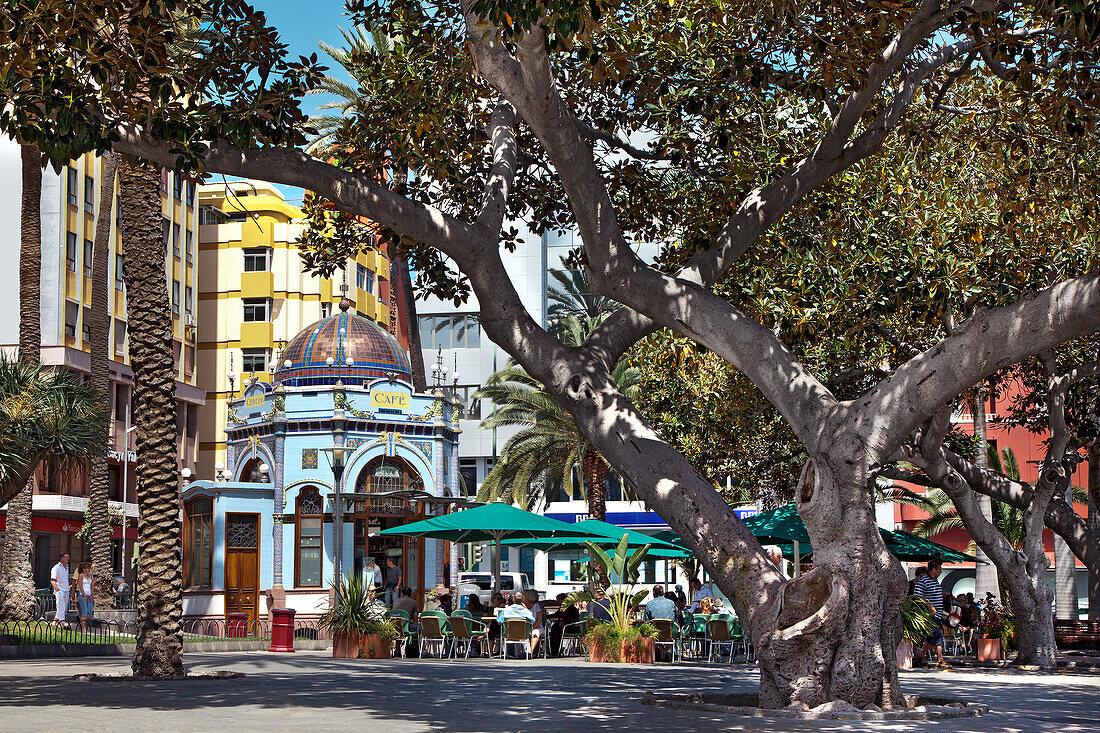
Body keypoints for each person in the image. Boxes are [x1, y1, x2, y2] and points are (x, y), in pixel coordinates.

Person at [913, 558, 950, 669]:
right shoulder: (923, 580)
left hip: (937, 615)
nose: (941, 571)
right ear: (934, 569)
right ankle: (940, 659)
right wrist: (929, 606)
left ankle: (920, 657)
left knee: (930, 638)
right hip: (929, 616)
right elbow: (918, 596)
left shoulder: (934, 581)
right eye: (940, 569)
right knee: (938, 637)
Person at [50, 552, 71, 625]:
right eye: (67, 557)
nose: (68, 559)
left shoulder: (67, 567)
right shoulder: (56, 567)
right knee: (61, 606)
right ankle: (62, 622)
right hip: (60, 590)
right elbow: (52, 580)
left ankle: (54, 622)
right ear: (62, 558)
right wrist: (57, 589)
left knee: (63, 607)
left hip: (66, 590)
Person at [74, 562, 95, 632]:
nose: (89, 570)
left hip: (89, 595)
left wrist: (92, 594)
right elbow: (80, 586)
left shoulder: (90, 576)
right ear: (84, 569)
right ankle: (83, 628)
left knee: (89, 611)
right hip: (82, 595)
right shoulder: (81, 575)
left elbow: (92, 585)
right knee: (84, 611)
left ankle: (80, 621)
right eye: (87, 568)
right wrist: (84, 595)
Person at [522, 589, 544, 654]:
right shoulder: (522, 606)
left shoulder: (536, 606)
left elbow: (539, 620)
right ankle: (524, 651)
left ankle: (530, 651)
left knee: (535, 633)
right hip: (524, 627)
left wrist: (532, 628)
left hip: (536, 627)